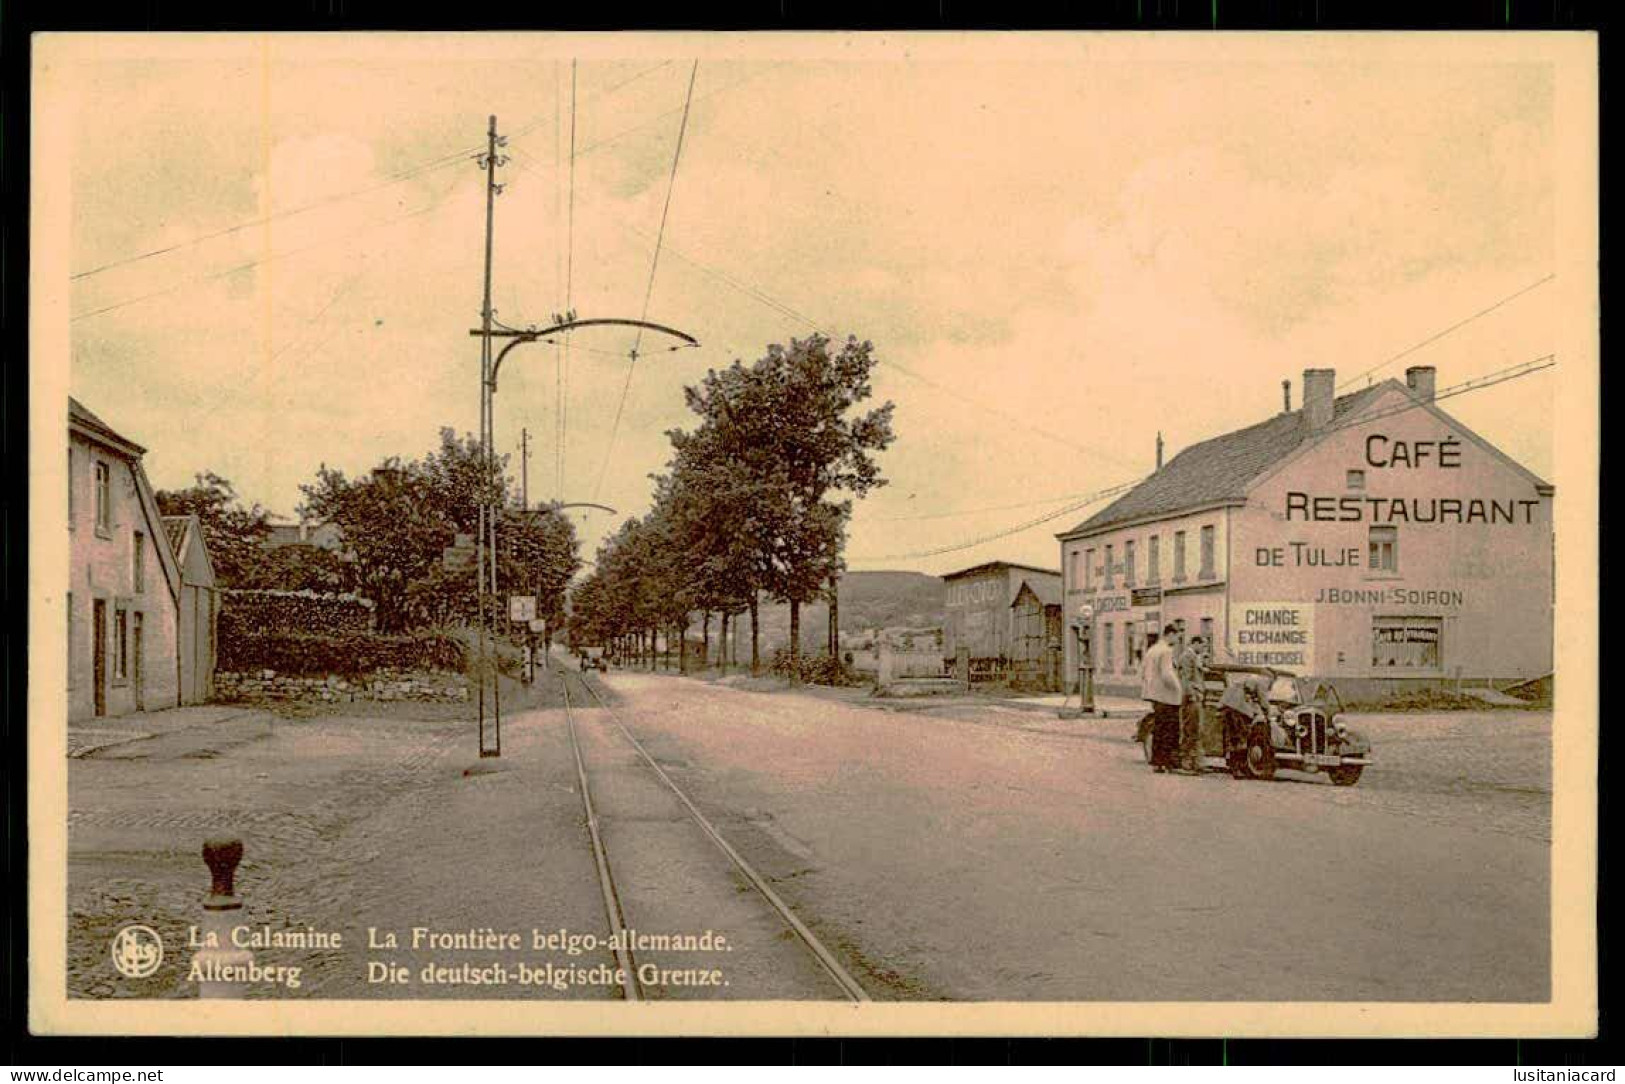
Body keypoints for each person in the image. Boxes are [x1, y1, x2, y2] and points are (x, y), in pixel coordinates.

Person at [1140, 622, 1184, 772]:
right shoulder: (1166, 651)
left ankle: (1157, 762)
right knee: (1170, 730)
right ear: (1170, 634)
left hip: (1155, 694)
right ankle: (1169, 762)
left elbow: (1144, 671)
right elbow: (1167, 674)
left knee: (1159, 729)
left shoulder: (1152, 650)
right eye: (1178, 637)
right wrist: (1178, 689)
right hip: (1168, 696)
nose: (1178, 641)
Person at [1219, 675, 1270, 770]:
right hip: (1238, 708)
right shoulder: (1263, 680)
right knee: (1241, 737)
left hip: (1227, 704)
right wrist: (1268, 713)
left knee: (1232, 736)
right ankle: (1239, 767)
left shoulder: (1247, 678)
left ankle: (1232, 763)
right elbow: (1263, 701)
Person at [1176, 634, 1209, 773]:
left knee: (1197, 730)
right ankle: (1186, 761)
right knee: (1190, 729)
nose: (1204, 648)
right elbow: (1186, 679)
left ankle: (1196, 762)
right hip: (1192, 699)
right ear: (1195, 643)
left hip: (1197, 697)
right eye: (1203, 645)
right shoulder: (1187, 657)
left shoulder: (1194, 657)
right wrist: (1192, 696)